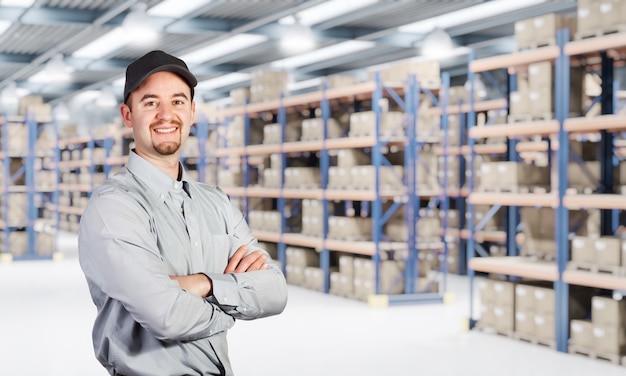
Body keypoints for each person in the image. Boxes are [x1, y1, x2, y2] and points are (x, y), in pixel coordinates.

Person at [78, 50, 288, 376]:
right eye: (150, 103)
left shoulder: (216, 202)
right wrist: (233, 306)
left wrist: (203, 284)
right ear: (128, 114)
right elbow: (166, 315)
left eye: (177, 102)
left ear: (191, 112)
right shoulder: (113, 206)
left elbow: (275, 291)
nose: (166, 115)